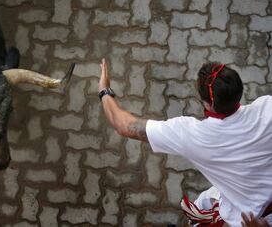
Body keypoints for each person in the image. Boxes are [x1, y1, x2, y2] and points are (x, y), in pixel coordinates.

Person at [98, 58, 272, 227]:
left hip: (248, 220)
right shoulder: (267, 107)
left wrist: (104, 90)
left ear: (208, 104)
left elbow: (125, 126)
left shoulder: (192, 135)